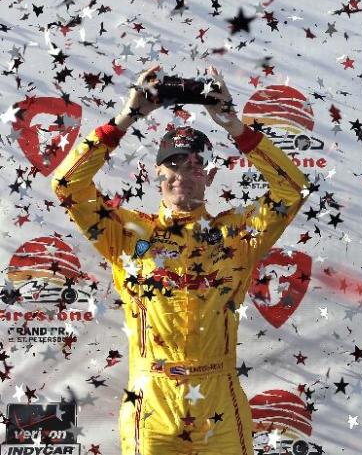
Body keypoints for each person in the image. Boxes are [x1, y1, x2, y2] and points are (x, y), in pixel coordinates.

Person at [51, 66, 308, 455]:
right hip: (151, 402)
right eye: (172, 163)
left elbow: (293, 189)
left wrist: (234, 126)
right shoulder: (128, 233)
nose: (182, 174)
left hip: (219, 399)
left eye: (193, 164)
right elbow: (67, 184)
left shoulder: (238, 234)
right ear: (157, 172)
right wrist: (127, 118)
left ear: (208, 175)